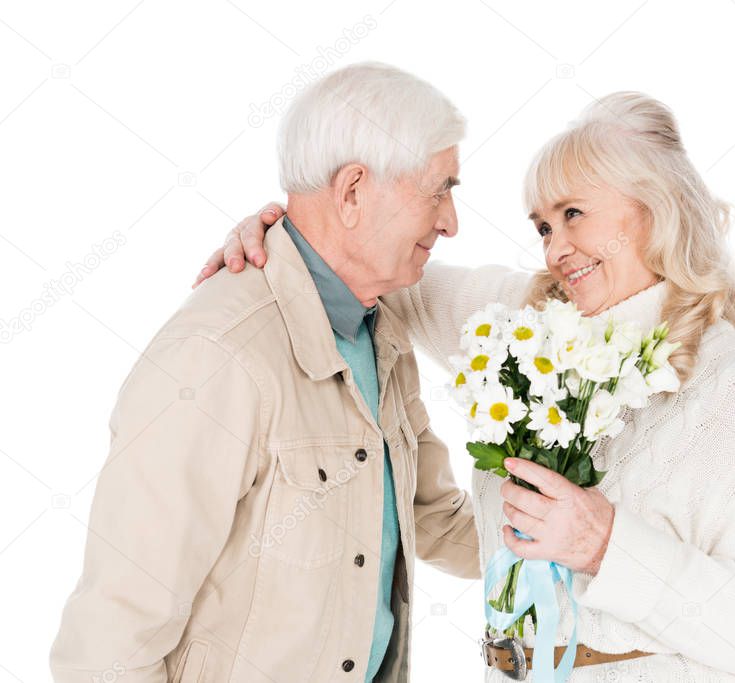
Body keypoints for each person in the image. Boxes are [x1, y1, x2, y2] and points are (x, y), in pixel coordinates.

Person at [197, 92, 735, 681]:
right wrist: (287, 235)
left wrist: (607, 545)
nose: (557, 250)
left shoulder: (734, 388)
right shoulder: (526, 319)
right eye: (544, 227)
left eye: (573, 214)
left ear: (651, 211)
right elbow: (377, 267)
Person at [51, 62, 479, 683]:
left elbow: (431, 517)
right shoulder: (218, 355)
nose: (450, 221)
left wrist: (593, 546)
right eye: (439, 189)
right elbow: (111, 640)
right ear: (354, 191)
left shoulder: (381, 333)